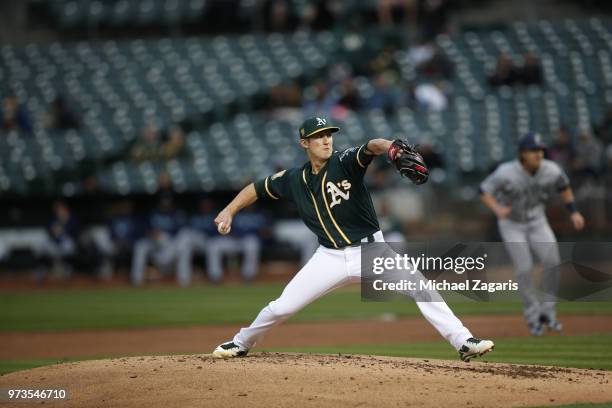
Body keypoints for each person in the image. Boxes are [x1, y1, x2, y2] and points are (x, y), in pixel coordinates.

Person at [211, 116, 494, 361]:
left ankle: (463, 341)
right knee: (281, 307)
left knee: (421, 288)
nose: (325, 140)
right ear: (304, 144)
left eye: (328, 135)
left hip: (373, 253)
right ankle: (241, 343)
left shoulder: (345, 162)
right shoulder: (293, 178)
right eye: (317, 136)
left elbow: (371, 146)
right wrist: (228, 210)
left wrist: (392, 147)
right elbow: (258, 188)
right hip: (329, 257)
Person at [480, 133, 585, 336]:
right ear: (522, 154)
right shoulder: (506, 172)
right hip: (512, 224)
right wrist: (497, 210)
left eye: (540, 150)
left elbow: (564, 187)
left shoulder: (551, 169)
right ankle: (532, 316)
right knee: (524, 268)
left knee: (553, 262)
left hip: (538, 221)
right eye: (533, 150)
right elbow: (484, 190)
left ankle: (548, 313)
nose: (538, 154)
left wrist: (574, 212)